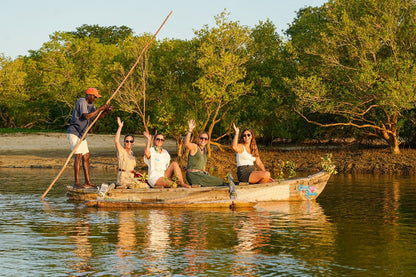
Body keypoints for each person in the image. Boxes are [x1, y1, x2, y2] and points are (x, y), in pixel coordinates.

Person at [66, 87, 112, 189]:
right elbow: (87, 116)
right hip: (74, 133)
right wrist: (101, 108)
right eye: (94, 97)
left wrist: (105, 111)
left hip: (82, 135)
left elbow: (96, 117)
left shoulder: (92, 105)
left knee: (86, 156)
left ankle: (88, 182)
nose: (95, 99)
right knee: (78, 156)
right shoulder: (82, 101)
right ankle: (76, 182)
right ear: (89, 95)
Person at [184, 119, 225, 187]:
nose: (203, 140)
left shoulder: (204, 150)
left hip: (201, 175)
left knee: (217, 181)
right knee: (220, 181)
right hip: (193, 175)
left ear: (208, 141)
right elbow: (186, 143)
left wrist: (205, 173)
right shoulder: (195, 147)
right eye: (201, 138)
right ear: (198, 139)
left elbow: (203, 167)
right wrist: (190, 130)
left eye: (205, 139)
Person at [115, 117, 149, 189]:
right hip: (123, 179)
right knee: (144, 186)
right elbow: (116, 141)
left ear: (133, 143)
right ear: (124, 142)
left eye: (131, 141)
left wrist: (135, 172)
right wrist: (120, 127)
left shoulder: (132, 153)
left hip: (131, 178)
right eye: (127, 141)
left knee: (146, 183)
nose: (129, 143)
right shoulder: (121, 151)